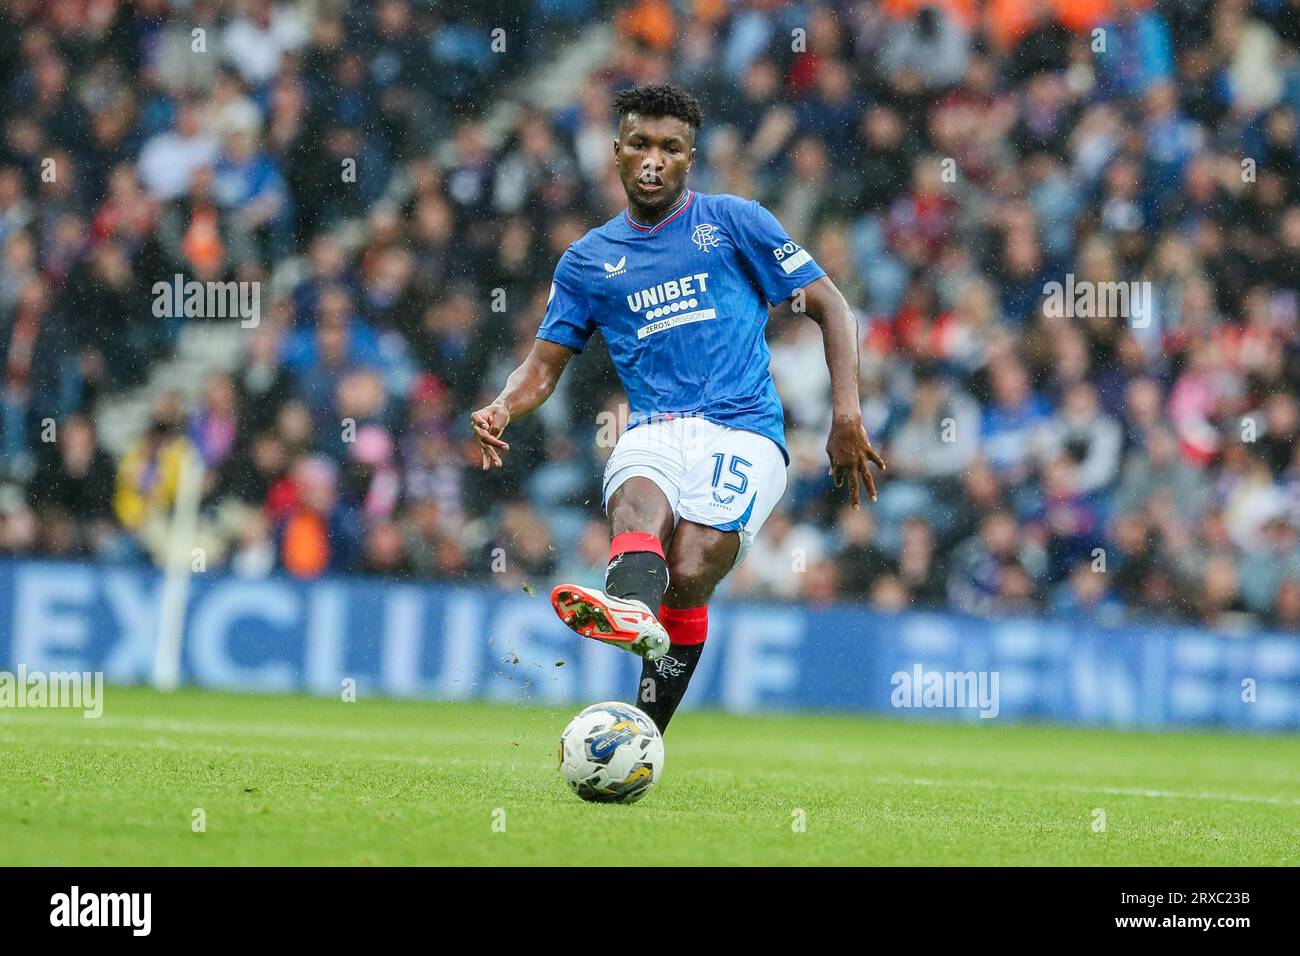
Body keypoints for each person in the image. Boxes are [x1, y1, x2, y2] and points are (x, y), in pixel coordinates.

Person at [470, 84, 885, 732]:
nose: (653, 158)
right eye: (640, 144)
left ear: (690, 157)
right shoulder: (587, 262)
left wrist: (847, 414)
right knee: (635, 498)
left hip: (746, 427)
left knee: (691, 570)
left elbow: (832, 305)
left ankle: (644, 725)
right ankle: (633, 614)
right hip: (655, 425)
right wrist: (502, 407)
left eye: (670, 147)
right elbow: (544, 365)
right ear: (617, 152)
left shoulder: (736, 221)